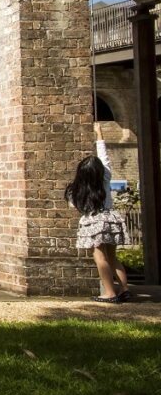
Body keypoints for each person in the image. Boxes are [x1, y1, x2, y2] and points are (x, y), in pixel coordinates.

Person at [66, 122, 130, 303]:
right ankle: (125, 289)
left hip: (95, 221)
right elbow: (104, 156)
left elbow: (73, 205)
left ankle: (109, 292)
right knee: (112, 257)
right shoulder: (106, 177)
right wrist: (99, 133)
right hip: (111, 217)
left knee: (99, 257)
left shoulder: (78, 189)